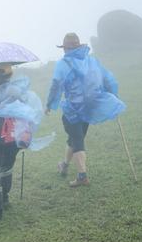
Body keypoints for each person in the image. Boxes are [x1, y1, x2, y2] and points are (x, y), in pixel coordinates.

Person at [45, 33, 125, 187]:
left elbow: (56, 85)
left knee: (77, 139)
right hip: (90, 107)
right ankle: (64, 165)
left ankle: (82, 177)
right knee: (74, 137)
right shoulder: (91, 60)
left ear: (66, 48)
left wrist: (49, 104)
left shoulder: (64, 64)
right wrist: (112, 95)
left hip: (73, 109)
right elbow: (107, 78)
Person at [0, 65, 42, 220]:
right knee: (6, 167)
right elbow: (30, 113)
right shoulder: (21, 91)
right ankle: (5, 198)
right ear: (11, 75)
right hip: (14, 138)